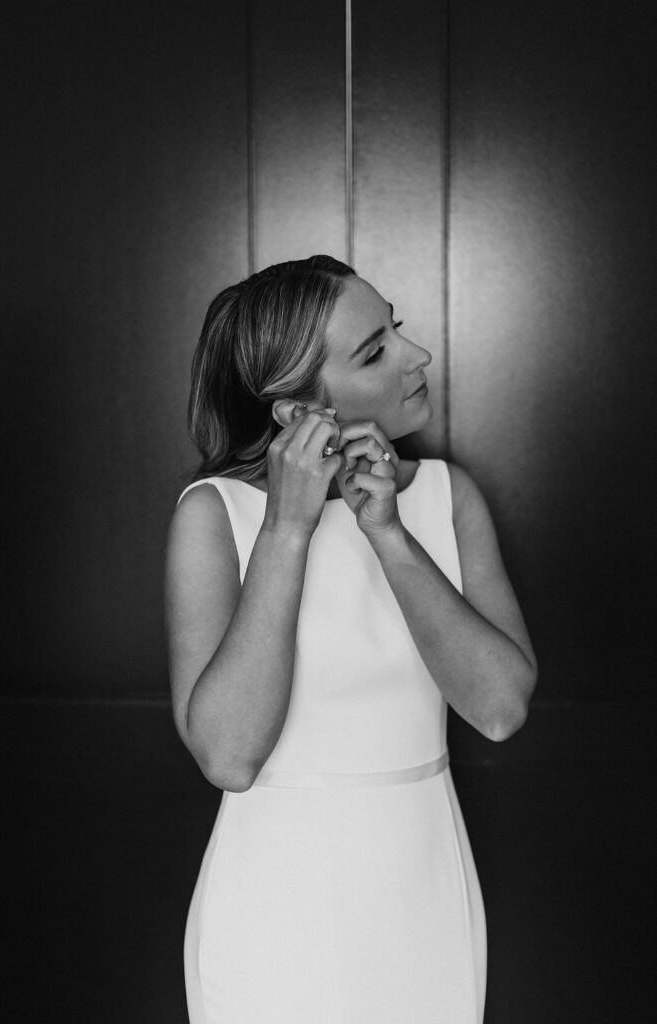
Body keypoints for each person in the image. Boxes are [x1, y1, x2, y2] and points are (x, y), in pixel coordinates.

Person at [164, 254, 537, 1023]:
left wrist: (389, 536)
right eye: (374, 351)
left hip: (423, 895)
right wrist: (289, 529)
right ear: (294, 413)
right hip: (271, 910)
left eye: (394, 329)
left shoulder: (446, 496)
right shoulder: (214, 517)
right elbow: (228, 755)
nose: (416, 356)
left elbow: (499, 708)